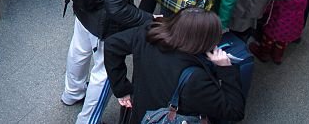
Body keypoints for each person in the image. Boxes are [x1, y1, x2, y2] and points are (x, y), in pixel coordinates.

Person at [104, 8, 246, 123]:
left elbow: (112, 44)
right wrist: (226, 69)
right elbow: (234, 111)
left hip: (138, 110)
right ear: (202, 42)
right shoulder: (195, 79)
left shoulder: (149, 33)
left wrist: (121, 89)